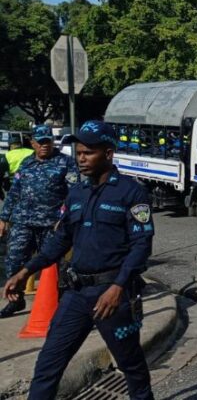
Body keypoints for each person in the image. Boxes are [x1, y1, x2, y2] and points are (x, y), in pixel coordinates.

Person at [3, 120, 155, 399]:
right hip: (76, 294)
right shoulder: (76, 193)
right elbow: (61, 240)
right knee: (48, 364)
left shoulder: (131, 192)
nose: (81, 158)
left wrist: (118, 287)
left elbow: (141, 245)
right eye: (79, 152)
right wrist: (25, 271)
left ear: (108, 153)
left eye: (88, 153)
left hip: (112, 296)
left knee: (130, 365)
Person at [0, 127, 78, 317]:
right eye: (40, 142)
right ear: (33, 143)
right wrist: (3, 218)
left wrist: (64, 217)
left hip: (51, 223)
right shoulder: (27, 163)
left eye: (47, 141)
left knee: (53, 266)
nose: (44, 145)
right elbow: (14, 192)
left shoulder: (65, 162)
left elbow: (74, 194)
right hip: (23, 221)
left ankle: (59, 304)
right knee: (14, 261)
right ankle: (16, 300)